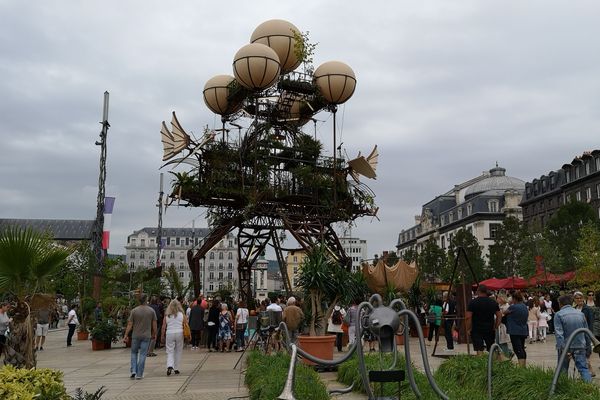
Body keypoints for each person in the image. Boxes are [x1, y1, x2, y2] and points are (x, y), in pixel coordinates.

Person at [554, 294, 592, 383]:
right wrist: (588, 347)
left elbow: (559, 334)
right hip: (580, 345)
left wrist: (563, 349)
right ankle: (590, 389)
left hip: (566, 346)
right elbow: (586, 331)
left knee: (563, 369)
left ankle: (564, 390)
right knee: (583, 368)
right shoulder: (580, 314)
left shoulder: (559, 314)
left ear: (560, 304)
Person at [123, 294, 157, 380]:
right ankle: (139, 374)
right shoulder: (151, 311)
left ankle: (133, 370)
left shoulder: (134, 311)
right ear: (146, 300)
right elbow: (154, 324)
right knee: (143, 354)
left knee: (134, 353)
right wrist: (154, 333)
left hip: (135, 335)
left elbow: (130, 324)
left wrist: (126, 334)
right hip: (146, 335)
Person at [466, 285, 501, 355]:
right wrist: (496, 326)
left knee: (479, 348)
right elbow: (499, 315)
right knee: (491, 347)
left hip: (476, 329)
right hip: (490, 328)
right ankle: (493, 363)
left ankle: (480, 364)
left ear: (478, 291)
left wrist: (468, 328)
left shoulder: (473, 302)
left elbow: (468, 317)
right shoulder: (493, 302)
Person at [161, 299, 186, 376]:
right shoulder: (182, 314)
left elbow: (163, 326)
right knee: (178, 350)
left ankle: (169, 365)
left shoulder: (167, 315)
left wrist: (162, 335)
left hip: (169, 333)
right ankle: (176, 368)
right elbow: (186, 324)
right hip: (179, 332)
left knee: (170, 350)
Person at [505, 292, 528, 366]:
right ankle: (524, 365)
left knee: (517, 349)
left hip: (514, 331)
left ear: (514, 299)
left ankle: (521, 366)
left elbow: (504, 312)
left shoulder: (513, 307)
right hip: (523, 330)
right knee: (522, 348)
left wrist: (509, 303)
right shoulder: (524, 306)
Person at [495, 294, 513, 360]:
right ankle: (503, 355)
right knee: (498, 342)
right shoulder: (499, 306)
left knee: (503, 342)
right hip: (498, 325)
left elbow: (504, 316)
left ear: (501, 299)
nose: (497, 300)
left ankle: (506, 355)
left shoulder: (506, 306)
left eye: (498, 298)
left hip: (503, 325)